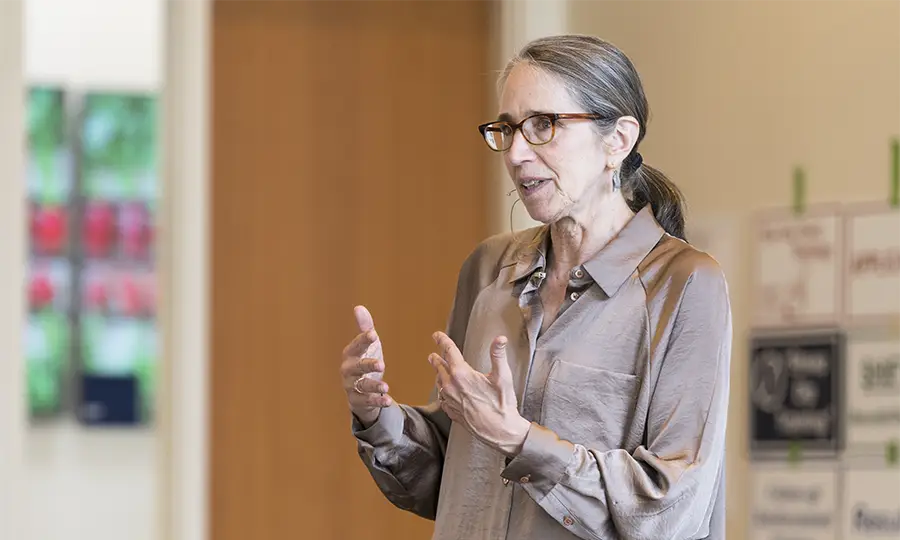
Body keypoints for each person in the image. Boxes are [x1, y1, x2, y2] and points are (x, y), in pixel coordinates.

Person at [340, 34, 732, 540]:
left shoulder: (685, 285)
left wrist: (521, 440)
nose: (517, 153)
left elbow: (671, 512)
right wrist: (378, 416)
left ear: (618, 139)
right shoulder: (487, 268)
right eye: (507, 129)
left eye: (544, 125)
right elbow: (455, 476)